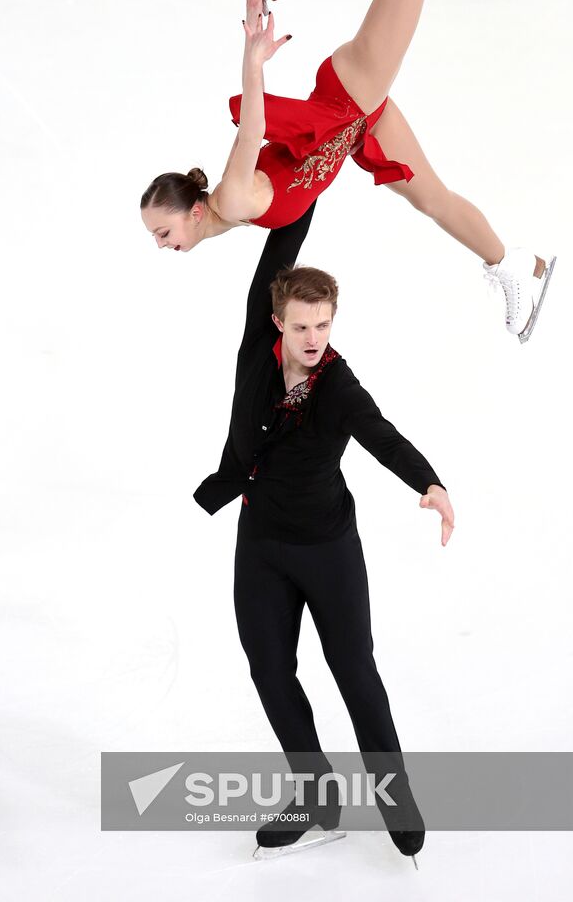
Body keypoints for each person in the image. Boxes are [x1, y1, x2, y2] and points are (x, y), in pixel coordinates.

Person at [140, 0, 556, 343]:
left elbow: (251, 132)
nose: (160, 244)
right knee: (434, 201)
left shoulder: (230, 200)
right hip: (357, 127)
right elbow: (252, 143)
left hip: (348, 97)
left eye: (163, 232)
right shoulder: (228, 207)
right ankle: (515, 265)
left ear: (193, 213)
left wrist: (254, 58)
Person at [193, 201, 455, 864]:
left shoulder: (337, 386)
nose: (313, 337)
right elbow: (279, 242)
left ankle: (395, 797)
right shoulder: (260, 346)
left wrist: (429, 482)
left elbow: (381, 436)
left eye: (324, 324)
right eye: (302, 325)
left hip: (327, 548)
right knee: (268, 669)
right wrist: (303, 179)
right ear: (277, 322)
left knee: (353, 670)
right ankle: (315, 797)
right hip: (260, 543)